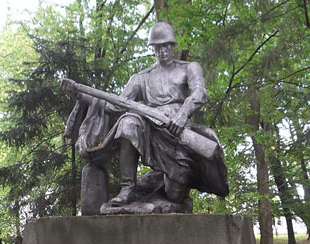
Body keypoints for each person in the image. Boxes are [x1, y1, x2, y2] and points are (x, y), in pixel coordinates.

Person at [66, 22, 228, 211]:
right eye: (157, 46)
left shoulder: (189, 68)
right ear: (153, 48)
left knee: (174, 194)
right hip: (150, 131)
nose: (162, 51)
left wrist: (183, 114)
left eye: (166, 45)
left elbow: (200, 93)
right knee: (128, 123)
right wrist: (80, 95)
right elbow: (115, 105)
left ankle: (162, 183)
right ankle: (127, 188)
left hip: (178, 132)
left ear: (173, 45)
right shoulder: (141, 78)